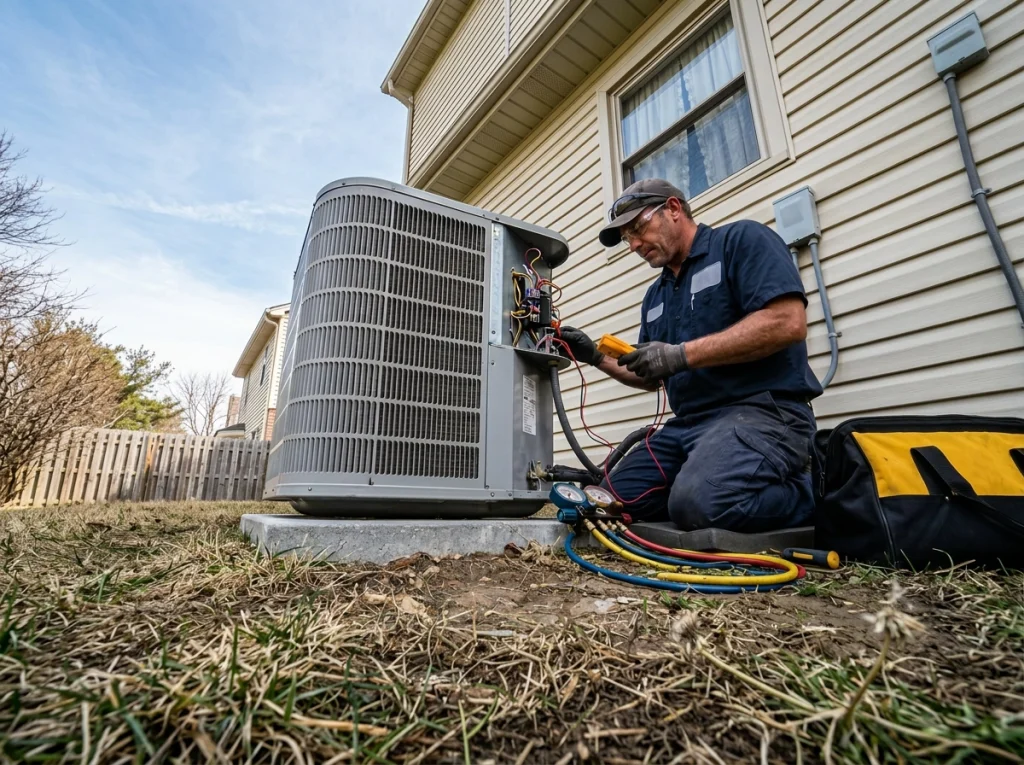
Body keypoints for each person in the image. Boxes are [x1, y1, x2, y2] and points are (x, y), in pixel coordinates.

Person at [558, 178, 823, 532]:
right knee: (611, 500)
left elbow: (787, 322)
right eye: (626, 239)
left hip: (766, 412)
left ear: (673, 209)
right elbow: (650, 375)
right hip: (688, 426)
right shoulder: (656, 295)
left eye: (638, 228)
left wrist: (680, 355)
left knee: (701, 503)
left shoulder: (741, 241)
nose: (635, 244)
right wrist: (593, 355)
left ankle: (814, 492)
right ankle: (706, 485)